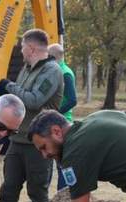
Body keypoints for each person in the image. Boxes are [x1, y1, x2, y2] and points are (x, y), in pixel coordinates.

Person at [0, 29, 63, 202]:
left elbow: (34, 100)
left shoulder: (52, 71)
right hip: (18, 140)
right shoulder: (27, 69)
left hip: (40, 145)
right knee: (8, 191)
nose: (21, 51)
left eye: (22, 47)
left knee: (38, 194)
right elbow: (17, 101)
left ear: (31, 48)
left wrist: (9, 86)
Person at [48, 43, 77, 191]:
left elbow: (72, 99)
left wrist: (55, 113)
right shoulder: (58, 71)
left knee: (63, 163)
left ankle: (65, 195)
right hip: (55, 122)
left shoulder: (65, 73)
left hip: (63, 122)